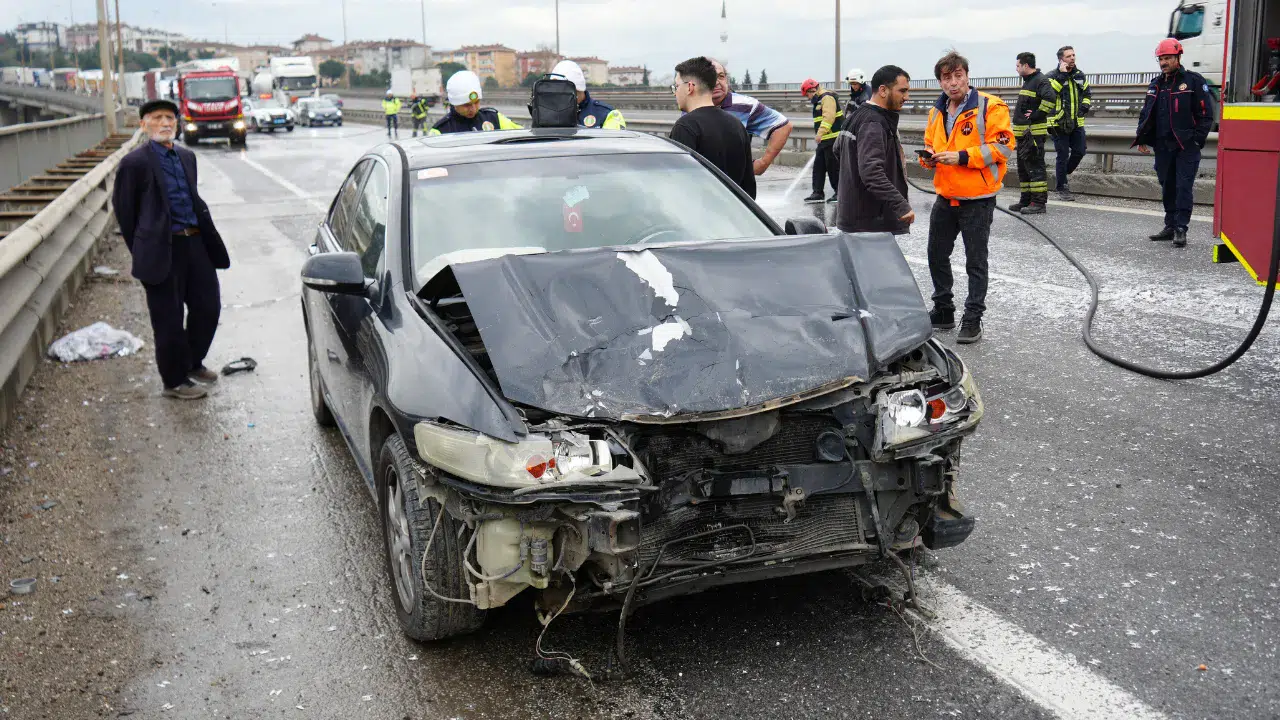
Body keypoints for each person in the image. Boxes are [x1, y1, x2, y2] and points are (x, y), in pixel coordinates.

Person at [110, 99, 231, 400]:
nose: (165, 123)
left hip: (195, 242)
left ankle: (191, 363)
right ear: (144, 124)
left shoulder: (187, 157)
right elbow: (125, 212)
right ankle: (174, 381)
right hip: (162, 248)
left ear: (177, 124)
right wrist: (142, 249)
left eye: (170, 118)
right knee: (168, 317)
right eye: (157, 118)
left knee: (208, 306)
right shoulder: (134, 163)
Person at [920, 50, 1015, 345]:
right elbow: (930, 143)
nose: (953, 83)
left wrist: (961, 157)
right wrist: (929, 159)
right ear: (940, 81)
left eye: (958, 76)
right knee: (936, 255)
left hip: (977, 198)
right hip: (946, 196)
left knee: (975, 261)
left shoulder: (990, 106)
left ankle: (973, 318)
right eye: (946, 78)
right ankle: (944, 309)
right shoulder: (936, 111)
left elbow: (1003, 146)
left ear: (967, 76)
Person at [1133, 38, 1213, 248]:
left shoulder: (1194, 81)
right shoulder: (1156, 84)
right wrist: (1141, 137)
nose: (1163, 63)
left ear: (1178, 57)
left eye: (1167, 58)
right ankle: (1169, 225)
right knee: (1167, 186)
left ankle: (1181, 228)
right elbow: (1146, 113)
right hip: (1163, 146)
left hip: (1186, 146)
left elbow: (1206, 115)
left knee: (1183, 187)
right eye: (1161, 59)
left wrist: (1196, 140)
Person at [834, 65, 914, 234]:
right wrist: (900, 205)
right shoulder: (874, 123)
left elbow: (837, 150)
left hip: (855, 218)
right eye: (902, 91)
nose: (907, 97)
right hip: (870, 224)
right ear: (883, 90)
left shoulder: (856, 115)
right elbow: (871, 172)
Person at [669, 56, 756, 198]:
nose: (675, 92)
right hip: (735, 215)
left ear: (689, 87)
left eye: (677, 86)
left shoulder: (686, 126)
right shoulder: (737, 124)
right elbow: (749, 187)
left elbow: (679, 185)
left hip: (702, 215)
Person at [709, 59, 793, 176]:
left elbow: (783, 126)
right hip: (702, 183)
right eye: (710, 76)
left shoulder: (745, 105)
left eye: (721, 76)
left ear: (726, 79)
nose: (717, 82)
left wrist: (763, 163)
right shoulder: (690, 105)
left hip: (735, 185)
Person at [1009, 52, 1056, 214]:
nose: (1016, 69)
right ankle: (1026, 200)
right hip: (1023, 136)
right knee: (1024, 169)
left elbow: (1050, 100)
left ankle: (1038, 203)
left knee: (1035, 168)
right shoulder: (1029, 81)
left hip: (1033, 135)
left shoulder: (1040, 80)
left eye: (1017, 65)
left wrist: (1036, 115)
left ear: (1025, 66)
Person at [1047, 46, 1092, 201]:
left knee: (1080, 151)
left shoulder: (1080, 75)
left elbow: (1087, 93)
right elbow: (1051, 94)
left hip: (1076, 122)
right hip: (1058, 123)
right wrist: (1063, 75)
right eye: (1068, 56)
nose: (1072, 58)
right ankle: (1062, 187)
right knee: (1063, 154)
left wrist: (1085, 105)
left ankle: (1062, 174)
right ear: (1061, 60)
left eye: (1073, 55)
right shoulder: (1052, 76)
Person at [428, 71, 523, 135]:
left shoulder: (494, 119)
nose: (473, 108)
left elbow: (521, 135)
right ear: (454, 103)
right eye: (467, 105)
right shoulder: (440, 131)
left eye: (476, 102)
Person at [548, 59, 627, 129]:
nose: (558, 94)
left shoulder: (607, 115)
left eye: (563, 89)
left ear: (578, 89)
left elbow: (614, 143)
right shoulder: (544, 114)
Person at [801, 79, 842, 203]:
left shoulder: (827, 98)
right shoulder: (819, 100)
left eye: (807, 95)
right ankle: (817, 192)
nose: (808, 98)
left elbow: (829, 117)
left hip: (833, 138)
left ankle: (839, 193)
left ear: (811, 90)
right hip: (825, 139)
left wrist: (820, 133)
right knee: (818, 166)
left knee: (833, 167)